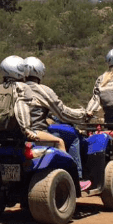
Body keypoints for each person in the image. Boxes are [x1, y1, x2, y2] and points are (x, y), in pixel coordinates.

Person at [23, 56, 91, 189]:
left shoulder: (15, 88)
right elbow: (63, 113)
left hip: (16, 133)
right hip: (36, 132)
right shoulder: (42, 90)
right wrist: (83, 115)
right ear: (39, 72)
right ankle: (76, 177)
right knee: (72, 138)